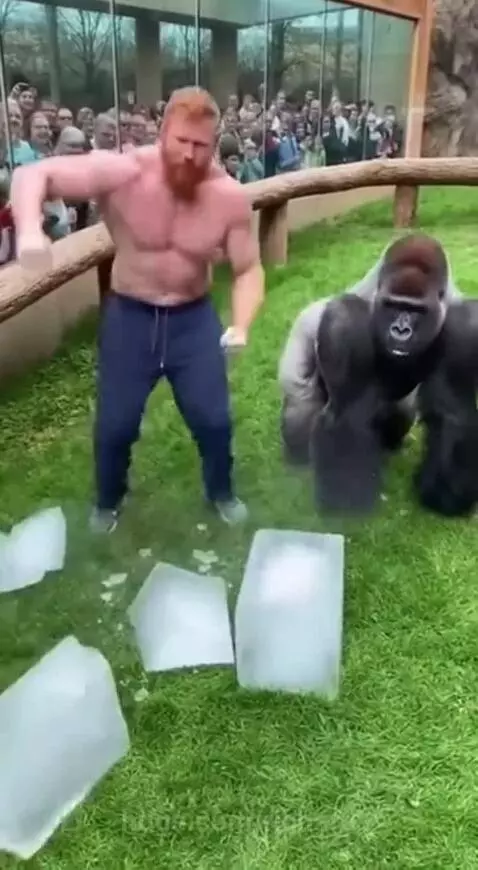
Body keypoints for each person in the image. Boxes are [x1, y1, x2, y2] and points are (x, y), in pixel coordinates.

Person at [10, 86, 265, 533]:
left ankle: (220, 492)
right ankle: (109, 501)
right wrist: (31, 231)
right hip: (131, 316)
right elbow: (34, 175)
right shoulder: (124, 172)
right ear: (163, 132)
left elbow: (248, 269)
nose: (189, 154)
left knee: (214, 421)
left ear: (215, 142)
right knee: (115, 425)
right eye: (181, 141)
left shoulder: (228, 198)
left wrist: (241, 324)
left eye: (201, 145)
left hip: (193, 319)